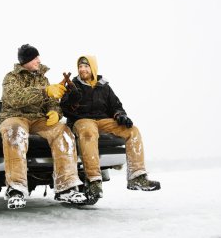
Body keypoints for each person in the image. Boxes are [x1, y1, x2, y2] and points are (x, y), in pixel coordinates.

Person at [60, 55, 161, 202]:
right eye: (80, 67)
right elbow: (64, 108)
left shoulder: (104, 86)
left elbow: (116, 106)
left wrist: (120, 115)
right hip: (82, 120)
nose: (82, 69)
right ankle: (94, 180)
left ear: (93, 68)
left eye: (86, 66)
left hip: (103, 120)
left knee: (133, 131)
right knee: (89, 132)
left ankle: (137, 177)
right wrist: (71, 99)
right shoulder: (73, 85)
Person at [0, 44, 86, 209]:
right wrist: (44, 92)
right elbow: (14, 98)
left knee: (64, 132)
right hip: (15, 117)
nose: (39, 60)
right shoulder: (11, 77)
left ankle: (66, 187)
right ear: (26, 60)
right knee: (15, 133)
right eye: (35, 58)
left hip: (38, 120)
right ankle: (16, 189)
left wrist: (55, 112)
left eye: (38, 57)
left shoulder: (43, 79)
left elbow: (52, 101)